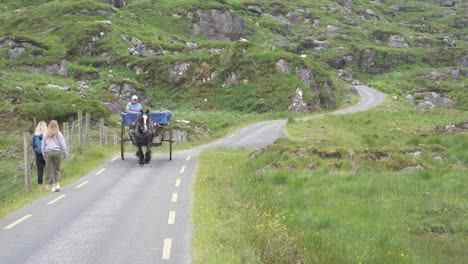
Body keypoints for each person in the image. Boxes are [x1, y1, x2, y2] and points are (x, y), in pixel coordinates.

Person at [42, 120, 68, 192]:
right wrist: (65, 152)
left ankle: (53, 185)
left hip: (49, 152)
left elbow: (43, 145)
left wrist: (43, 153)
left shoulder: (46, 134)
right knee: (57, 169)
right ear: (57, 126)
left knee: (50, 169)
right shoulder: (59, 134)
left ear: (49, 125)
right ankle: (58, 185)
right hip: (57, 152)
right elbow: (63, 144)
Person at [32, 121, 47, 189]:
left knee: (39, 170)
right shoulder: (47, 135)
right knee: (48, 169)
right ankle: (47, 185)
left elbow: (33, 146)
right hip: (46, 153)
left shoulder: (35, 136)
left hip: (38, 154)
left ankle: (39, 186)